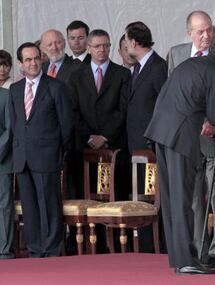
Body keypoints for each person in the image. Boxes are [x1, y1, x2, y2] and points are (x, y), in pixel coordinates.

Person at [144, 31, 215, 275]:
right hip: (181, 137)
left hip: (160, 132)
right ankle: (187, 260)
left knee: (171, 199)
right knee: (184, 198)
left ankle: (179, 258)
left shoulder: (189, 63)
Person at [167, 10, 215, 267]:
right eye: (200, 31)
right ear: (190, 33)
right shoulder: (176, 54)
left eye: (209, 29)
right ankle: (198, 247)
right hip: (189, 137)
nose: (206, 35)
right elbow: (176, 93)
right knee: (194, 197)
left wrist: (213, 121)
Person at [9, 42, 73, 257]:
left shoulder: (56, 87)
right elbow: (16, 124)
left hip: (47, 156)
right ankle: (35, 250)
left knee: (49, 205)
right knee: (29, 206)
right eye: (28, 59)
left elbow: (66, 125)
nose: (33, 63)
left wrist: (56, 151)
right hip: (22, 158)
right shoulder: (16, 90)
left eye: (36, 58)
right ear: (20, 64)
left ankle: (52, 249)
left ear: (42, 59)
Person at [69, 29, 130, 199]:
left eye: (106, 45)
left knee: (114, 198)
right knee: (88, 198)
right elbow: (72, 111)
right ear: (88, 48)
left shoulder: (123, 74)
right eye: (97, 46)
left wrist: (104, 136)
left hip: (114, 146)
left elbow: (123, 109)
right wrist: (89, 137)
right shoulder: (76, 77)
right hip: (84, 147)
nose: (102, 50)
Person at [124, 21, 167, 252]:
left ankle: (156, 245)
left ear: (133, 41)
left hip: (150, 144)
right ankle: (145, 244)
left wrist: (153, 138)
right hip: (137, 145)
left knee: (153, 197)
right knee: (141, 195)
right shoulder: (139, 67)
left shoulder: (157, 66)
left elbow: (164, 105)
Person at [0, 87, 13, 259]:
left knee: (3, 207)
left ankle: (3, 251)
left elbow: (10, 130)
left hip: (1, 161)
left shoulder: (5, 95)